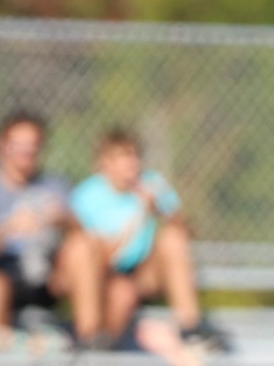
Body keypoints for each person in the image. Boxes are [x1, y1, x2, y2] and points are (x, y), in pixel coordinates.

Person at [69, 130, 223, 349]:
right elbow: (99, 254)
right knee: (121, 293)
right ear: (105, 163)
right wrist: (139, 216)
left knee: (172, 237)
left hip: (144, 273)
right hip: (105, 274)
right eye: (123, 156)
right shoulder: (87, 195)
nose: (132, 163)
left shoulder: (152, 184)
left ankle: (191, 326)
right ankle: (91, 341)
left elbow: (186, 231)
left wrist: (161, 210)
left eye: (135, 155)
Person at [0, 112, 101, 342]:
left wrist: (63, 219)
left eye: (33, 145)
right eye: (19, 145)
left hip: (49, 277)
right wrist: (8, 229)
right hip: (5, 273)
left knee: (83, 249)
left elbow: (86, 235)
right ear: (1, 148)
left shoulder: (55, 186)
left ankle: (90, 345)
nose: (27, 152)